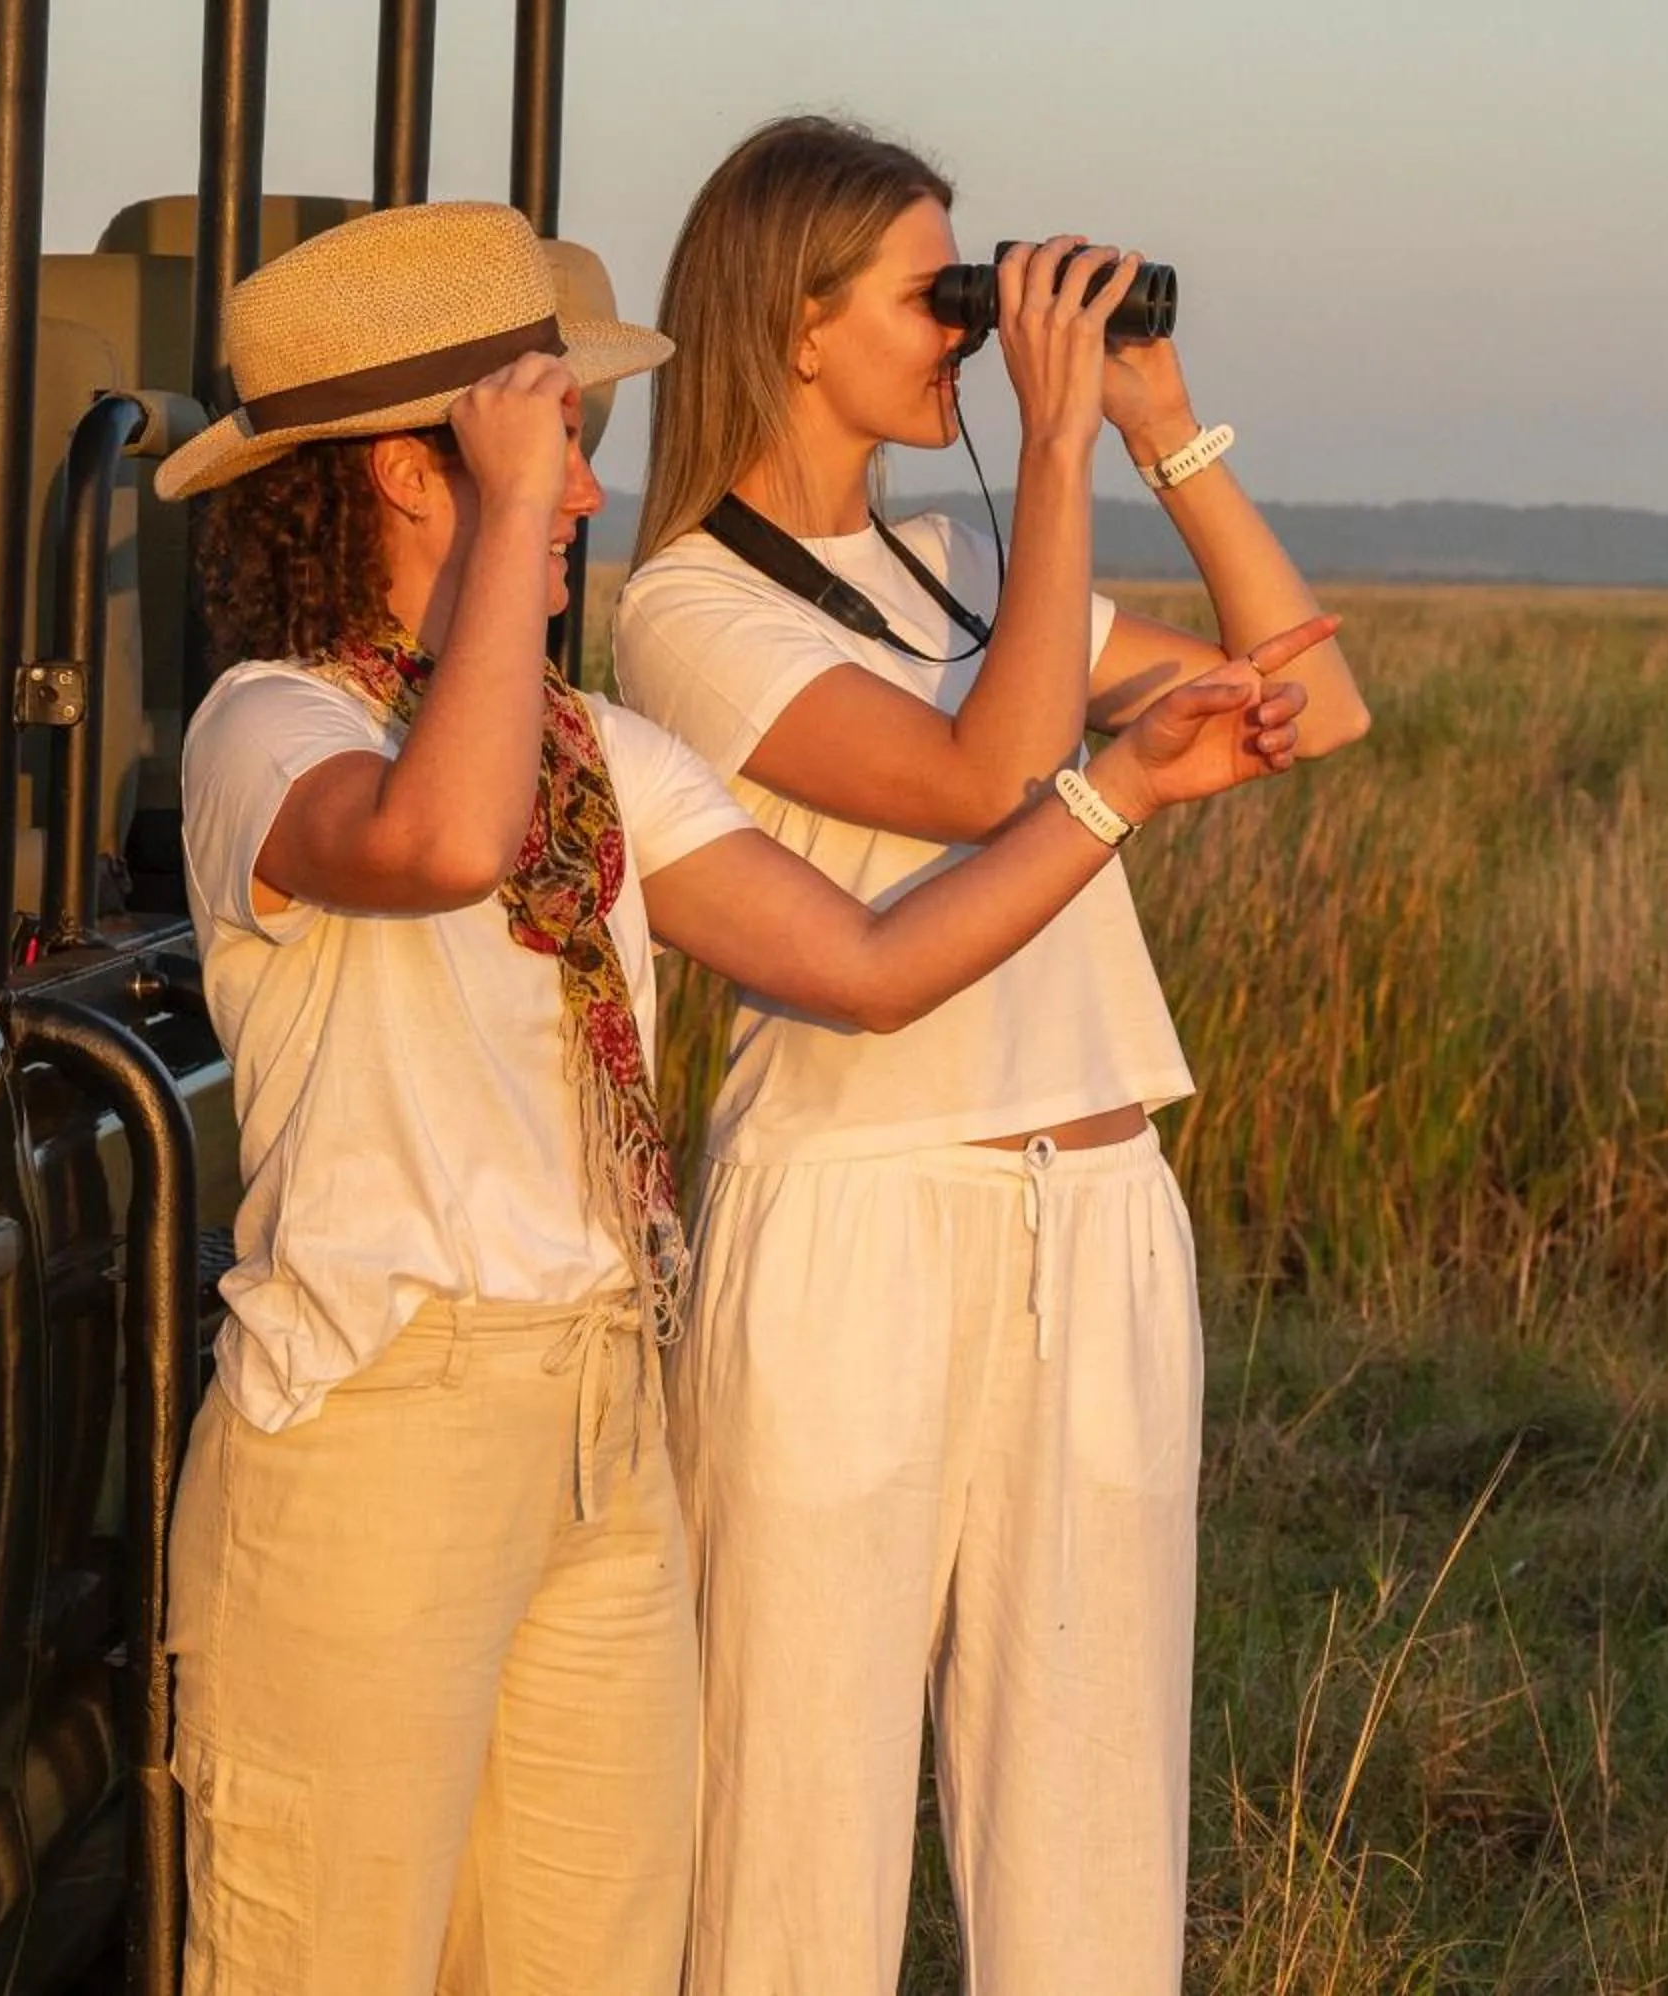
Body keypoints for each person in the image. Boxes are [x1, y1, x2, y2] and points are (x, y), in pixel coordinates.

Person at [152, 201, 1319, 1996]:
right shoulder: (268, 730)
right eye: (553, 447)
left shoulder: (589, 752)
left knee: (599, 1953)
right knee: (331, 1951)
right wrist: (504, 537)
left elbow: (866, 963)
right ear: (410, 474)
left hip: (598, 1422)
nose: (589, 498)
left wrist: (1117, 799)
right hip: (380, 1430)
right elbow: (444, 840)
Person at [615, 117, 1372, 1994]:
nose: (970, 330)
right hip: (862, 1215)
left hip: (1096, 1207)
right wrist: (1045, 444)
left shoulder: (961, 559)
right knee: (803, 1810)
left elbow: (1322, 698)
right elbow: (987, 776)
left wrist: (1154, 423)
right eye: (932, 297)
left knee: (1095, 1809)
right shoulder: (684, 611)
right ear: (794, 328)